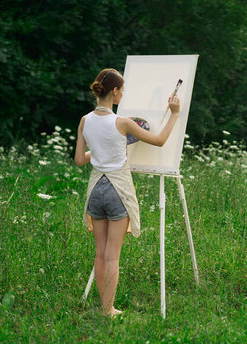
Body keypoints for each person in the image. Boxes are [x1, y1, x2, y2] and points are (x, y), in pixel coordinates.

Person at [74, 68, 180, 317]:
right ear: (114, 91)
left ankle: (104, 308)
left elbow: (80, 160)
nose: (123, 94)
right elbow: (159, 140)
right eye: (122, 90)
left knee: (100, 255)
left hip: (95, 191)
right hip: (117, 190)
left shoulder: (85, 120)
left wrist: (101, 151)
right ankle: (109, 310)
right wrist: (174, 114)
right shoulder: (122, 122)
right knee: (112, 257)